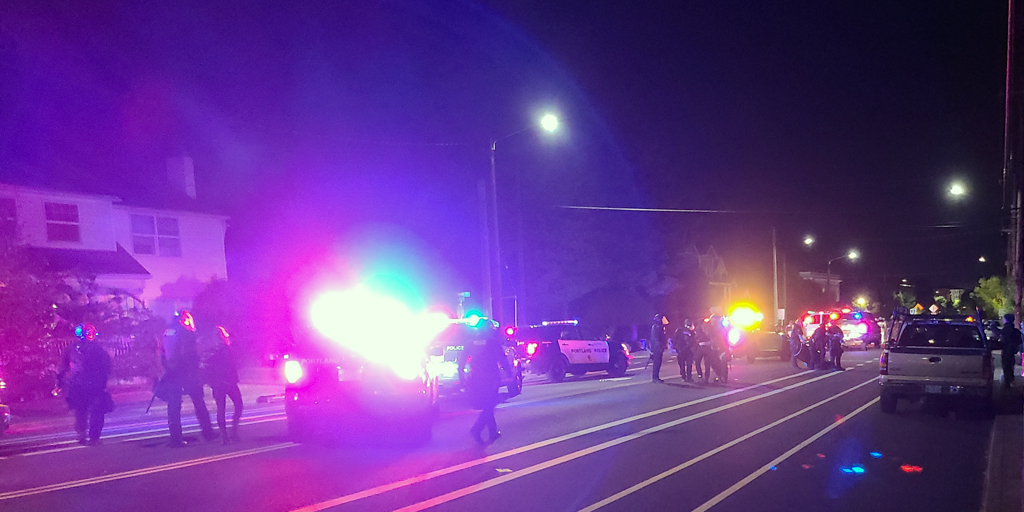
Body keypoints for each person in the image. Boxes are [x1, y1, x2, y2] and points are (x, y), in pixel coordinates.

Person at [161, 311, 217, 447]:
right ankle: (208, 432)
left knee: (174, 406)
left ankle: (176, 438)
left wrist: (167, 369)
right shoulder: (187, 333)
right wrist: (196, 369)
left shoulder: (167, 333)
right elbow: (189, 354)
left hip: (171, 373)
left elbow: (162, 353)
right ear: (185, 320)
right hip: (187, 373)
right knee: (198, 402)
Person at [58, 324, 112, 445]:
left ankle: (81, 434)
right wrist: (104, 382)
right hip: (94, 384)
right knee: (97, 411)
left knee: (80, 411)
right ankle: (94, 437)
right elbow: (106, 366)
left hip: (76, 385)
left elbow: (63, 367)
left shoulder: (71, 348)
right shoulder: (97, 348)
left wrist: (60, 382)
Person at [458, 325, 512, 445]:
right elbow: (502, 360)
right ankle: (476, 429)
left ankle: (493, 432)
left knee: (488, 404)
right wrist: (509, 374)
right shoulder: (493, 342)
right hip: (491, 379)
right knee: (490, 405)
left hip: (476, 378)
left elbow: (461, 362)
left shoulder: (470, 343)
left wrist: (462, 378)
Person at [204, 325, 243, 444]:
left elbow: (207, 367)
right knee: (237, 405)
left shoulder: (211, 351)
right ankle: (232, 432)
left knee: (221, 409)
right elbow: (231, 365)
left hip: (218, 384)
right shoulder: (226, 350)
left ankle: (226, 436)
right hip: (228, 382)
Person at [1000, 313, 1022, 388]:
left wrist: (993, 327)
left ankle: (1007, 382)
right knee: (1010, 366)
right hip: (1012, 351)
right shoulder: (1015, 330)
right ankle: (1010, 380)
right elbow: (1019, 340)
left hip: (1006, 350)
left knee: (1006, 365)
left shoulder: (1006, 328)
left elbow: (1000, 334)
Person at [649, 314, 668, 383]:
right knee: (657, 363)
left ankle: (656, 377)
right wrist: (659, 347)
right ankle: (655, 378)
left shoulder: (660, 326)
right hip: (657, 348)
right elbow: (656, 338)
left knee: (659, 363)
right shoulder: (656, 327)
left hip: (659, 347)